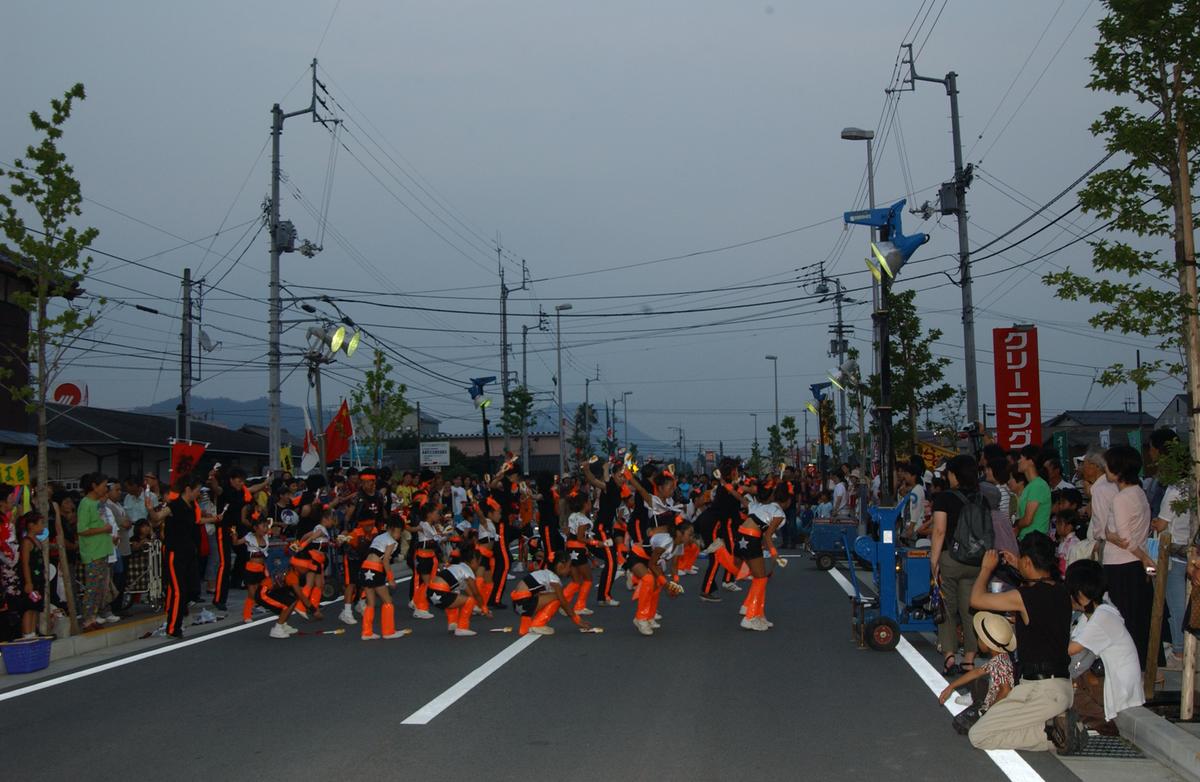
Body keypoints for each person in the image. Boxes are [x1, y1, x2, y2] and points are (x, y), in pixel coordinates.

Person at [968, 534, 1085, 754]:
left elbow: (976, 599)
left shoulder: (1024, 596)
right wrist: (1018, 565)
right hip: (1059, 686)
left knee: (979, 735)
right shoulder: (1062, 591)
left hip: (1039, 691)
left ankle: (1055, 736)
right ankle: (1054, 724)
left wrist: (986, 569)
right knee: (1000, 724)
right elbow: (1039, 598)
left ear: (1028, 562)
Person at [1065, 559, 1144, 734]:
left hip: (1120, 690)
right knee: (1072, 680)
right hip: (1114, 681)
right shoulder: (1097, 611)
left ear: (1080, 594)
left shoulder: (1102, 617)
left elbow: (1070, 650)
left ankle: (1104, 725)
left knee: (1066, 690)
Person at [1099, 444, 1154, 670]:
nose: (1105, 470)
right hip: (1134, 564)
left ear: (1118, 470)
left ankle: (1126, 666)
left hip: (1120, 565)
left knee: (1122, 619)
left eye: (1108, 466)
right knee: (1136, 617)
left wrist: (1143, 558)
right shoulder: (1139, 492)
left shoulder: (1121, 498)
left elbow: (1124, 539)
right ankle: (1138, 665)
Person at [930, 454, 986, 674]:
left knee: (947, 608)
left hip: (951, 559)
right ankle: (970, 659)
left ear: (954, 474)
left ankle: (950, 656)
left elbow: (939, 530)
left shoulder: (944, 498)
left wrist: (934, 560)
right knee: (970, 608)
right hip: (976, 561)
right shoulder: (981, 498)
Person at [938, 611, 1015, 735]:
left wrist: (988, 713)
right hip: (996, 703)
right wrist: (951, 686)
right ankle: (980, 707)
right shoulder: (1001, 657)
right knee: (977, 681)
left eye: (979, 638)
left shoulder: (999, 664)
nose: (978, 640)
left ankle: (985, 716)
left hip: (999, 709)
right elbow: (976, 672)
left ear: (987, 643)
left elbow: (1005, 690)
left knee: (965, 727)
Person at [735, 482, 791, 631]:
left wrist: (729, 486)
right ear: (788, 501)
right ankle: (751, 617)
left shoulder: (759, 506)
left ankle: (753, 610)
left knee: (759, 578)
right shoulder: (779, 514)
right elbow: (767, 536)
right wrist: (774, 554)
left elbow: (741, 499)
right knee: (761, 579)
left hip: (741, 537)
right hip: (751, 538)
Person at [511, 556, 589, 636]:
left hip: (518, 604)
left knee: (553, 595)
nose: (570, 570)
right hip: (524, 604)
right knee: (558, 597)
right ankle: (538, 624)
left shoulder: (544, 573)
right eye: (569, 567)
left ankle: (530, 623)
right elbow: (563, 601)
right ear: (560, 566)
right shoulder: (554, 580)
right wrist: (577, 620)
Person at [76, 472, 114, 632]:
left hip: (102, 549)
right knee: (92, 588)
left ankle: (93, 616)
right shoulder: (86, 504)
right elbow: (82, 529)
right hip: (93, 552)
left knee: (99, 588)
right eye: (104, 485)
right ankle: (87, 619)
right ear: (94, 486)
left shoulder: (97, 503)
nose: (106, 489)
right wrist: (103, 529)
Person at [358, 518, 408, 640]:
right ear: (391, 529)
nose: (399, 535)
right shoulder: (392, 542)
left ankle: (367, 632)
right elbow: (385, 560)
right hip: (375, 569)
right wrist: (391, 579)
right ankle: (388, 631)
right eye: (398, 532)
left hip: (365, 568)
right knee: (388, 601)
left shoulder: (379, 537)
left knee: (370, 603)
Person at [428, 546, 491, 637]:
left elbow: (467, 590)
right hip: (440, 593)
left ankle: (452, 624)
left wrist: (478, 607)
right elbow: (475, 593)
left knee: (455, 595)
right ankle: (462, 627)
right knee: (469, 600)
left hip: (430, 592)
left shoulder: (456, 567)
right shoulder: (468, 572)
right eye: (478, 563)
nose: (478, 566)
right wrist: (485, 609)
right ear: (473, 561)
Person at [17, 510, 50, 639]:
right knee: (28, 607)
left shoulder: (37, 541)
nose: (42, 526)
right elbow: (25, 563)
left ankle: (33, 631)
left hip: (38, 579)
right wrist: (28, 582)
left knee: (36, 606)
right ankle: (27, 633)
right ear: (31, 525)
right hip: (31, 579)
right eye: (40, 523)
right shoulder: (27, 542)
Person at [1015, 445, 1052, 540]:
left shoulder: (1038, 485)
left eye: (1021, 458)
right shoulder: (1031, 485)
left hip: (1035, 542)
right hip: (1027, 539)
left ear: (1031, 461)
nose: (1018, 461)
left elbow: (1027, 520)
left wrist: (1016, 524)